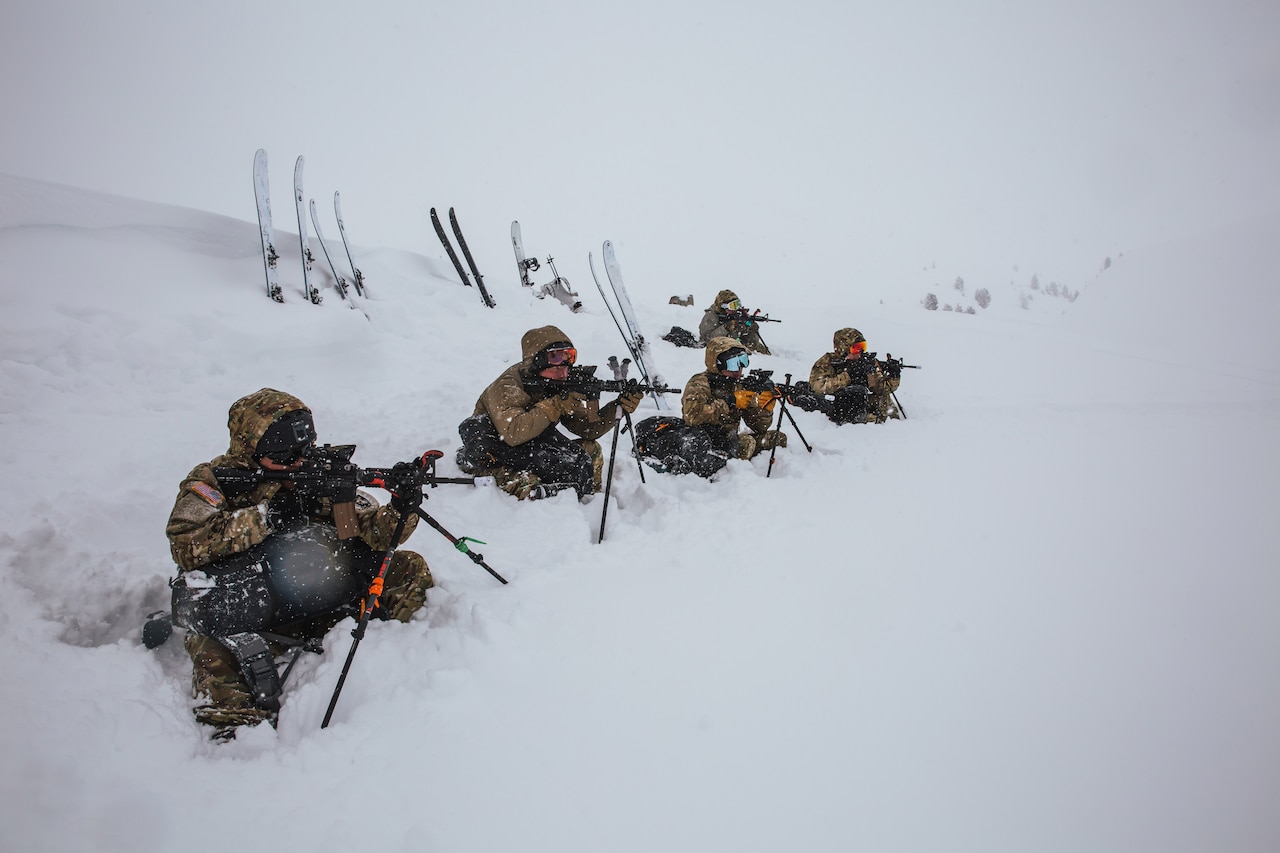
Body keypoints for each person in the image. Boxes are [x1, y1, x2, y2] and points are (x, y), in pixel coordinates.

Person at [165, 388, 432, 741]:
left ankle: (388, 655)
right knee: (207, 634)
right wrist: (265, 517)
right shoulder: (212, 481)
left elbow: (373, 535)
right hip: (253, 606)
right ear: (252, 449)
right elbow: (186, 545)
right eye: (285, 456)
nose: (298, 463)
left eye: (302, 451)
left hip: (319, 591)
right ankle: (238, 731)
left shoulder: (319, 471)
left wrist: (400, 506)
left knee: (406, 568)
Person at [455, 325, 643, 500]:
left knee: (590, 451)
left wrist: (617, 407)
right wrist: (556, 405)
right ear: (536, 363)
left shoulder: (559, 383)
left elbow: (587, 429)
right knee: (529, 486)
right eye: (558, 367)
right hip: (497, 451)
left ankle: (587, 503)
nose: (564, 374)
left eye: (566, 367)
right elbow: (513, 433)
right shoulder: (507, 386)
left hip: (533, 444)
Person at [632, 336, 786, 477]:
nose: (739, 369)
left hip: (729, 440)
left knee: (776, 439)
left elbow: (759, 427)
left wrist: (765, 409)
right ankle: (724, 471)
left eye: (742, 361)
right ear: (717, 364)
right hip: (704, 442)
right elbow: (692, 417)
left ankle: (736, 463)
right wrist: (729, 402)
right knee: (748, 444)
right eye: (733, 364)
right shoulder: (699, 383)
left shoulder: (739, 386)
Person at [807, 327, 902, 424]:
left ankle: (892, 424)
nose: (860, 352)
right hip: (838, 407)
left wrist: (894, 375)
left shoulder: (864, 362)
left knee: (883, 398)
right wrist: (848, 376)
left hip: (862, 404)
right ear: (844, 349)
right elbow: (819, 387)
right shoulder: (826, 362)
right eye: (856, 348)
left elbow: (881, 388)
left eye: (862, 347)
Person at [697, 289, 773, 354]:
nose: (736, 309)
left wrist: (749, 325)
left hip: (739, 344)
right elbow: (705, 339)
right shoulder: (711, 316)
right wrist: (726, 327)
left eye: (737, 304)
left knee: (762, 351)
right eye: (732, 306)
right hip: (720, 349)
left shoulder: (736, 314)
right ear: (723, 307)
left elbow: (747, 334)